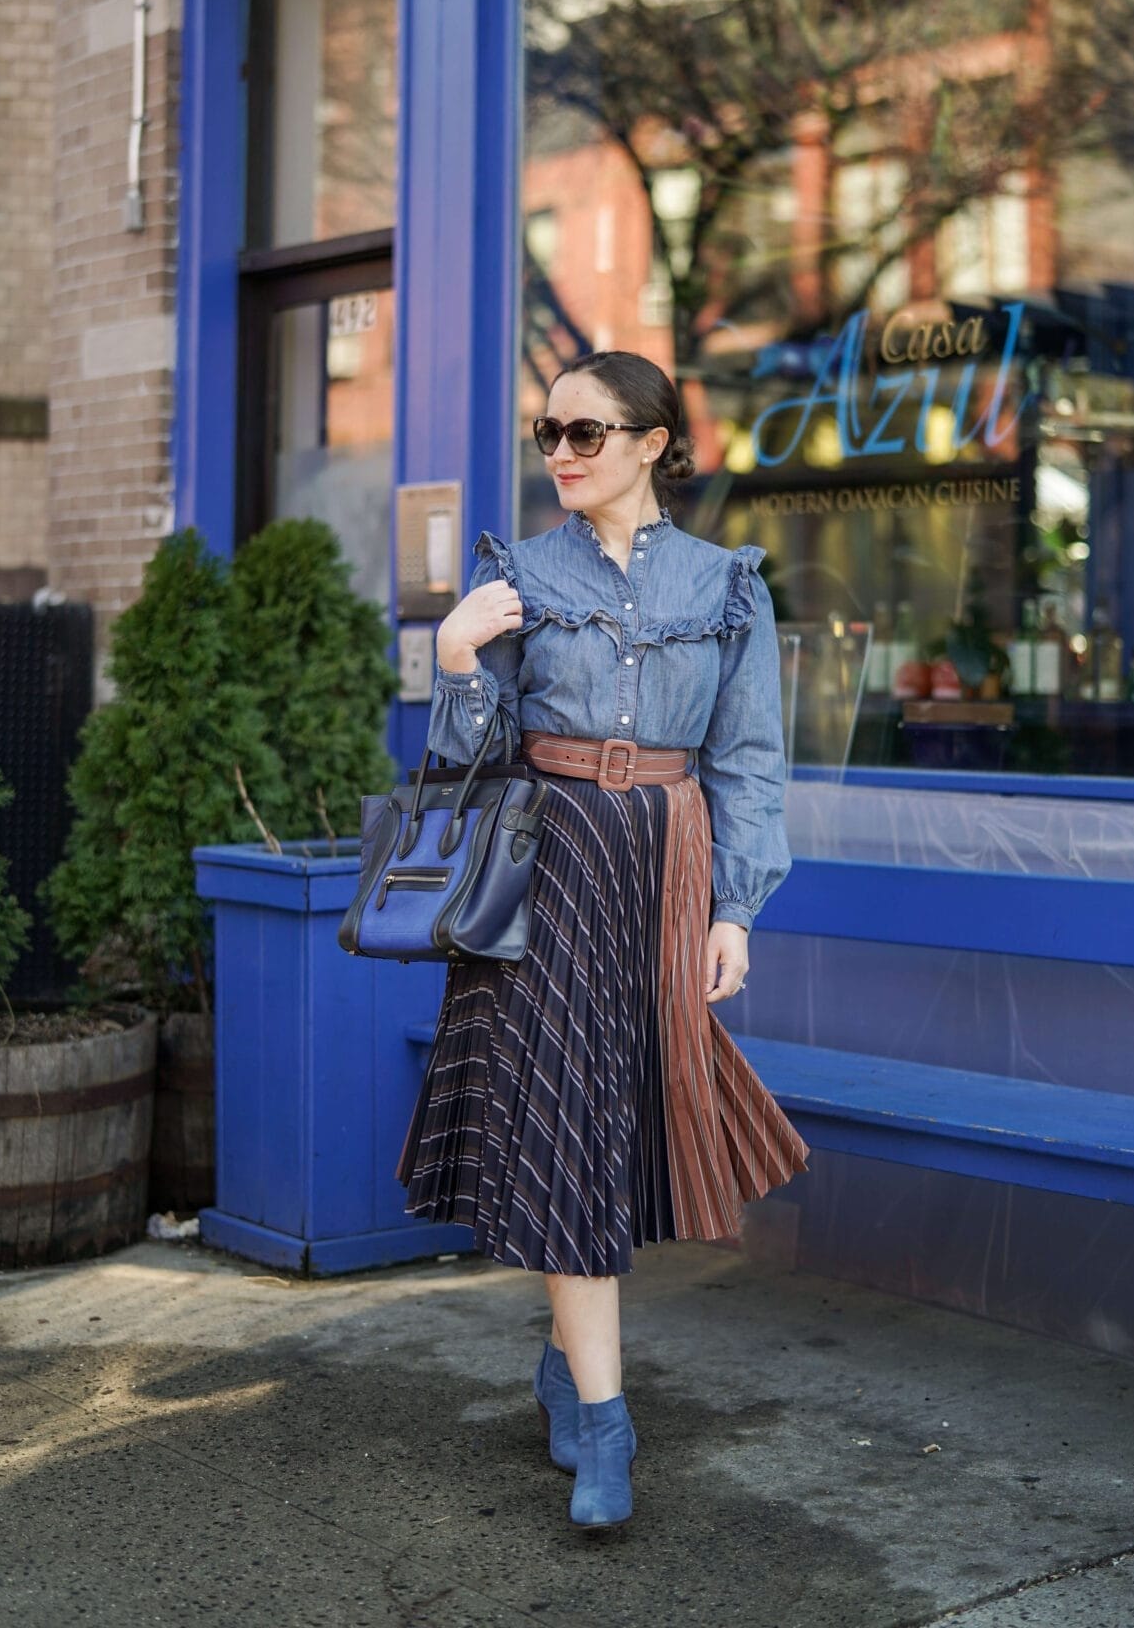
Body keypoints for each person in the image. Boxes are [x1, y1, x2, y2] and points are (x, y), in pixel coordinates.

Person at [396, 350, 809, 1530]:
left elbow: (747, 760)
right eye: (548, 434)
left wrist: (735, 907)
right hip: (551, 870)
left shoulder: (725, 584)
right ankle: (608, 1428)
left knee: (623, 1127)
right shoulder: (514, 574)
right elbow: (468, 759)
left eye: (585, 433)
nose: (562, 455)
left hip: (668, 872)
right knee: (572, 1126)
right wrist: (456, 658)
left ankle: (568, 1380)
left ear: (652, 444)